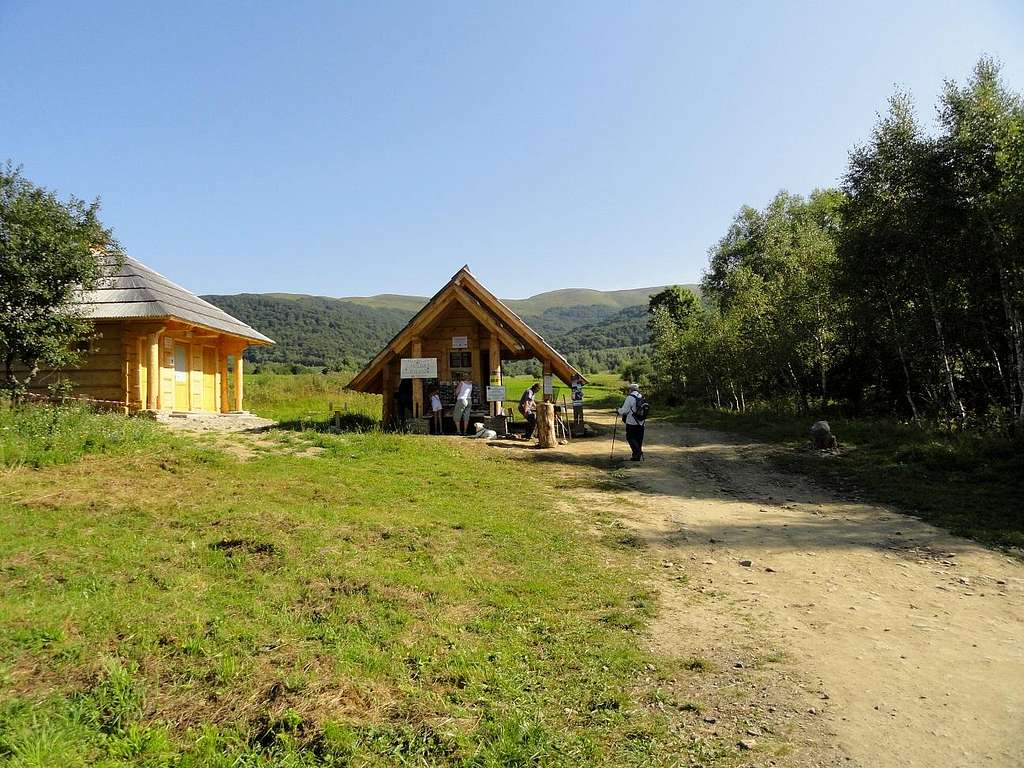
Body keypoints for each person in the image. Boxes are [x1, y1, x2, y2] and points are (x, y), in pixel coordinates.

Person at [618, 383, 646, 461]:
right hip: (641, 422)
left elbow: (624, 411)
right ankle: (636, 456)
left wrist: (618, 410)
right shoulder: (641, 396)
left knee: (630, 437)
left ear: (630, 390)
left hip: (632, 422)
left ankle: (637, 452)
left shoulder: (630, 398)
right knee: (638, 439)